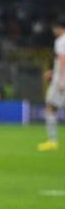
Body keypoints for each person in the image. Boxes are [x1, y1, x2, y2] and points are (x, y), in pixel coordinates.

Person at [39, 22, 65, 151]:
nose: (53, 31)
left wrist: (60, 79)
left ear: (60, 28)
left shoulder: (61, 41)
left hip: (61, 80)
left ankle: (52, 141)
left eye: (55, 28)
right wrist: (54, 72)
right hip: (60, 76)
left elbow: (63, 59)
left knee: (50, 106)